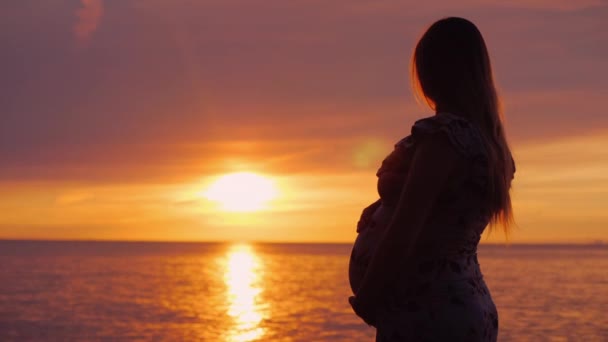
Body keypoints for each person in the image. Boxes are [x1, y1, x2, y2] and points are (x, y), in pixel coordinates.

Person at [348, 17, 516, 341]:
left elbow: (406, 228)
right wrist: (382, 206)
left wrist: (368, 296)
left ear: (431, 70)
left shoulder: (445, 137)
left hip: (429, 312)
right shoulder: (488, 145)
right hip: (461, 306)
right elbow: (444, 206)